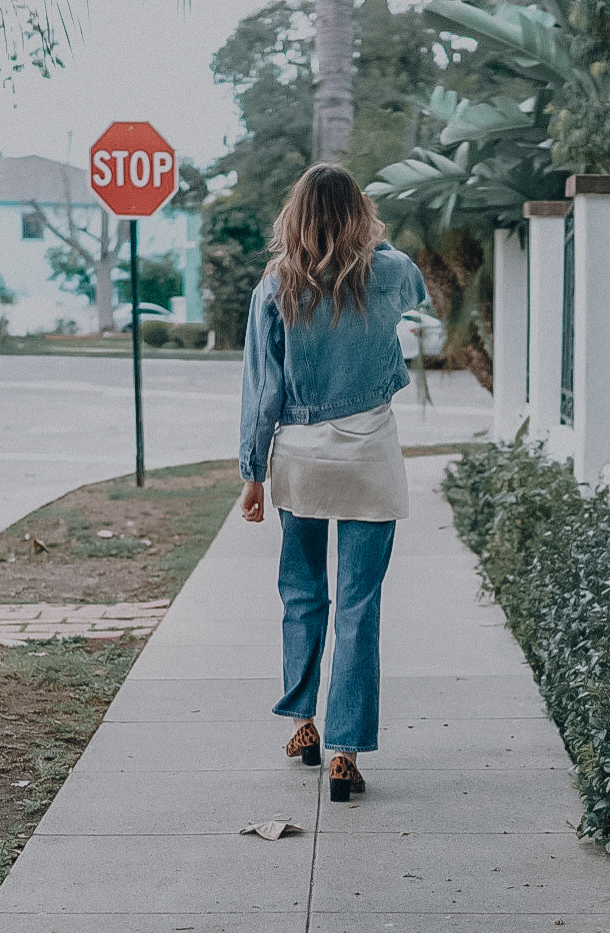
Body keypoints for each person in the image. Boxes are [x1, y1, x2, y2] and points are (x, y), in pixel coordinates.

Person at [238, 163, 428, 803]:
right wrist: (371, 244)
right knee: (358, 606)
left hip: (301, 458)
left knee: (302, 593)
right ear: (359, 214)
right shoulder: (389, 273)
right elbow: (418, 288)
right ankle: (346, 753)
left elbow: (262, 393)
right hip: (369, 453)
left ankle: (303, 725)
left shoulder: (275, 288)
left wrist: (251, 473)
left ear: (293, 218)